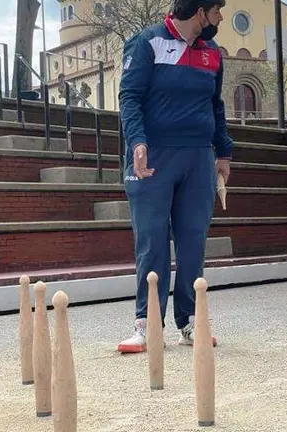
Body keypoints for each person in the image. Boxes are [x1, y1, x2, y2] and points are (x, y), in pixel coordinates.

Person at [116, 0, 232, 353]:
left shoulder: (213, 54)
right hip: (154, 156)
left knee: (193, 241)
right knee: (151, 241)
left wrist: (223, 151)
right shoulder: (146, 42)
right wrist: (137, 141)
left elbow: (216, 105)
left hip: (198, 156)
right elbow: (130, 97)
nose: (220, 18)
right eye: (216, 11)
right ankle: (146, 324)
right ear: (199, 12)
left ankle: (190, 322)